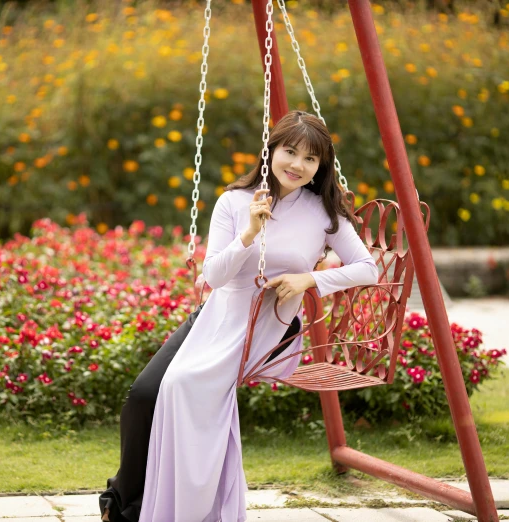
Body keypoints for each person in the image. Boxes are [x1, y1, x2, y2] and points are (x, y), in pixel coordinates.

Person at [99, 110, 379, 522]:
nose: (298, 165)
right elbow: (212, 275)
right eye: (290, 152)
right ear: (271, 152)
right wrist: (248, 234)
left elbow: (367, 268)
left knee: (181, 386)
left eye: (310, 159)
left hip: (268, 326)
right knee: (143, 395)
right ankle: (122, 505)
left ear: (321, 166)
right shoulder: (234, 202)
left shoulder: (324, 213)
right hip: (218, 314)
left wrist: (308, 280)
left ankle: (178, 511)